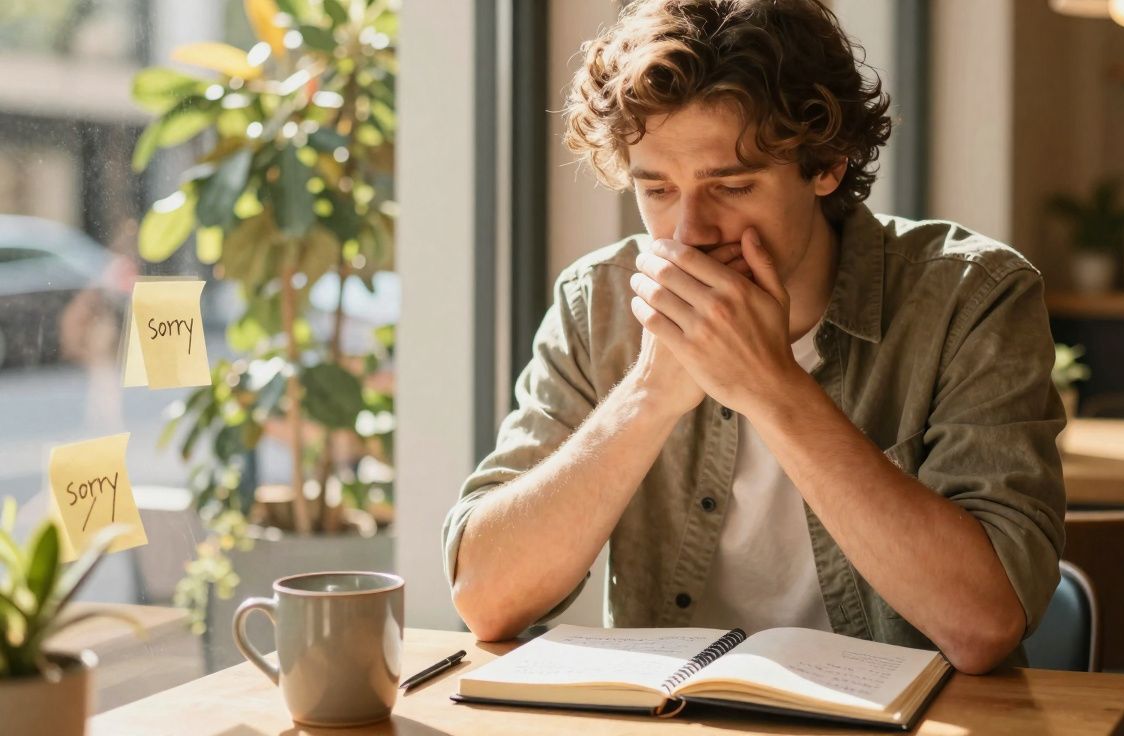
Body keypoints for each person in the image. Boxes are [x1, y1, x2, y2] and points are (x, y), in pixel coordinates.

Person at [442, 0, 1065, 674]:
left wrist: (772, 387)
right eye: (657, 190)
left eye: (731, 185)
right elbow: (486, 599)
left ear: (826, 164)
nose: (690, 232)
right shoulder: (599, 301)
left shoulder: (970, 298)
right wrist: (649, 395)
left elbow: (985, 625)